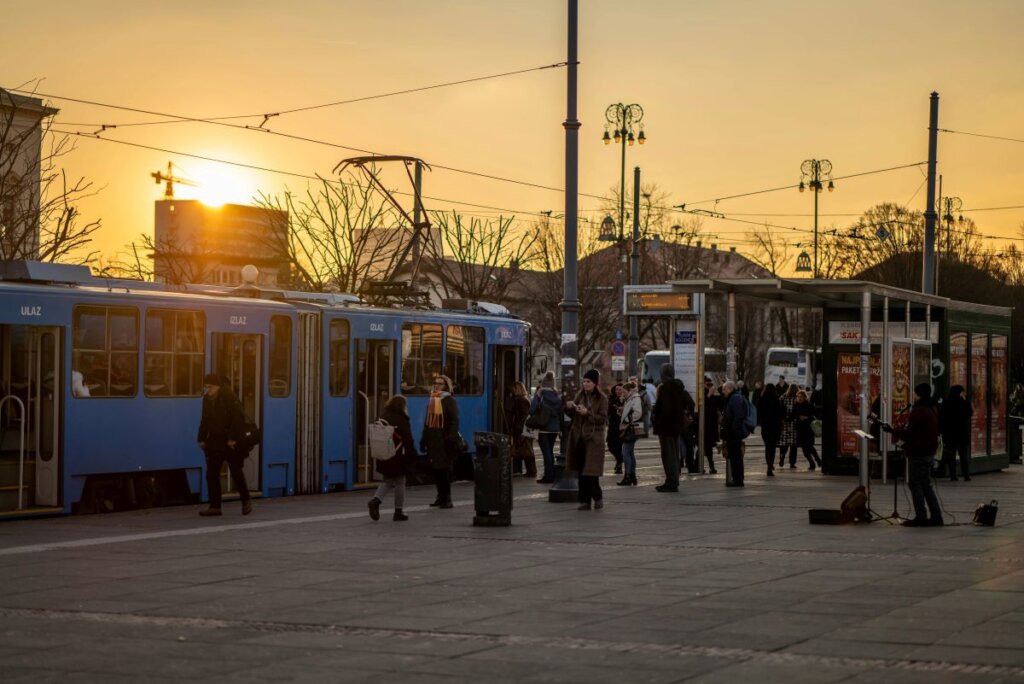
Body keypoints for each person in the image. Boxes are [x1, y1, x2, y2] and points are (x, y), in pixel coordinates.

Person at [885, 383, 944, 527]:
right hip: (928, 452)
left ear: (919, 394)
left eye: (915, 393)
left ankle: (921, 516)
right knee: (926, 484)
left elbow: (910, 433)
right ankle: (936, 516)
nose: (913, 395)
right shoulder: (932, 408)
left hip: (919, 453)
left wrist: (893, 431)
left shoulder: (919, 411)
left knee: (916, 484)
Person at [196, 373, 251, 517]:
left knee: (236, 472)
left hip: (231, 441)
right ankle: (215, 506)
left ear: (218, 386)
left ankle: (246, 500)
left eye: (210, 387)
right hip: (215, 440)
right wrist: (201, 438)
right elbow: (205, 419)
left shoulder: (229, 397)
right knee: (212, 473)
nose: (208, 390)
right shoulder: (206, 400)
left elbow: (238, 417)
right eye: (206, 387)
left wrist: (232, 438)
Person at [367, 395, 417, 522]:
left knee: (387, 481)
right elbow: (408, 439)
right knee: (400, 481)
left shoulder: (382, 416)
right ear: (402, 406)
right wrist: (413, 455)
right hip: (397, 455)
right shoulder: (402, 419)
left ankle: (375, 500)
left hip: (384, 453)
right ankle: (398, 511)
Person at [565, 369, 608, 510]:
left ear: (595, 383)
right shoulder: (580, 396)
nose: (585, 384)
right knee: (581, 470)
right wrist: (569, 408)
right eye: (584, 381)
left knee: (591, 472)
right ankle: (584, 500)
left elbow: (602, 419)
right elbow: (572, 415)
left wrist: (587, 413)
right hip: (579, 437)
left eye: (588, 382)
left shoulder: (602, 398)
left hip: (594, 439)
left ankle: (597, 497)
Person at [420, 374, 459, 509]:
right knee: (435, 470)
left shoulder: (449, 400)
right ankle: (440, 496)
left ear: (446, 386)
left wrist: (450, 438)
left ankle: (447, 498)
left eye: (440, 383)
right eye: (435, 383)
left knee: (443, 470)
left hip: (444, 440)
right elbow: (428, 422)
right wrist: (423, 440)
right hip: (433, 440)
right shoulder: (433, 399)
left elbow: (455, 421)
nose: (437, 385)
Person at [651, 364, 689, 492]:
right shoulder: (678, 386)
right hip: (676, 427)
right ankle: (673, 480)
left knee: (668, 455)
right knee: (674, 454)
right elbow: (689, 403)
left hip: (666, 427)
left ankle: (671, 482)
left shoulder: (666, 387)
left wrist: (657, 411)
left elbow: (666, 409)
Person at [530, 372, 562, 483]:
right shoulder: (557, 396)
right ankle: (552, 474)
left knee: (546, 453)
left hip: (543, 428)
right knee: (550, 451)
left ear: (543, 384)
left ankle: (549, 476)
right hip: (554, 429)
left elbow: (532, 410)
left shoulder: (541, 395)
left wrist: (537, 396)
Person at [939, 384, 972, 481]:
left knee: (951, 455)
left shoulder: (946, 403)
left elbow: (942, 417)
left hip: (949, 433)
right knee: (963, 456)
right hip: (962, 433)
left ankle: (953, 475)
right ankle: (966, 475)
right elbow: (969, 413)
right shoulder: (964, 403)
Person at [504, 381, 536, 478]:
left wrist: (521, 429)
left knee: (526, 450)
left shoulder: (522, 401)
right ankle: (529, 471)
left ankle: (531, 471)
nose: (512, 391)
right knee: (525, 449)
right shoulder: (522, 399)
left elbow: (524, 416)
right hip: (522, 429)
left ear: (517, 389)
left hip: (522, 429)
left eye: (514, 389)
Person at [720, 381, 748, 487]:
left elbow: (738, 415)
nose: (723, 392)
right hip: (733, 432)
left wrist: (733, 428)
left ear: (730, 389)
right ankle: (737, 479)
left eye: (724, 389)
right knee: (733, 456)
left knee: (736, 457)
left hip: (734, 433)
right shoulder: (732, 398)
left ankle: (738, 480)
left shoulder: (735, 398)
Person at [617, 381, 643, 486]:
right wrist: (621, 411)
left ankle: (628, 476)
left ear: (629, 391)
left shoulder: (635, 398)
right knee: (630, 453)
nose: (622, 394)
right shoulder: (631, 398)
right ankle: (632, 476)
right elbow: (629, 411)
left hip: (631, 429)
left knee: (625, 452)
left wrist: (627, 419)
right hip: (630, 428)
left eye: (624, 392)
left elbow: (637, 413)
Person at [758, 383, 783, 477]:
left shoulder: (762, 400)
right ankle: (770, 466)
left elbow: (759, 412)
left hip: (765, 426)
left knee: (767, 446)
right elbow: (780, 412)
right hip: (775, 426)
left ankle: (769, 464)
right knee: (772, 447)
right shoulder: (776, 400)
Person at [793, 390, 822, 470]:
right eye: (798, 397)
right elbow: (794, 415)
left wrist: (807, 417)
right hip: (800, 429)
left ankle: (816, 462)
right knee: (806, 448)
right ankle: (814, 462)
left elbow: (814, 416)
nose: (799, 398)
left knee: (809, 447)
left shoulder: (809, 405)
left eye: (801, 397)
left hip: (808, 429)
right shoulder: (796, 405)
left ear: (805, 397)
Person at [701, 377, 723, 474]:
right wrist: (709, 395)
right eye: (708, 384)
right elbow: (703, 407)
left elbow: (722, 402)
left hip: (711, 425)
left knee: (707, 446)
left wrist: (720, 389)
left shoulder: (713, 395)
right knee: (705, 447)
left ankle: (710, 466)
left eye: (711, 385)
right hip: (704, 425)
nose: (710, 387)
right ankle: (708, 466)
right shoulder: (703, 394)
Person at [779, 383, 799, 468]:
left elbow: (779, 407)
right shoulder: (797, 398)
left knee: (784, 443)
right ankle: (792, 462)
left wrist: (782, 418)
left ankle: (782, 455)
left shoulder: (783, 397)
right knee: (793, 444)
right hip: (794, 423)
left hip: (784, 423)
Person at [606, 383, 625, 476]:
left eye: (620, 390)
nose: (618, 391)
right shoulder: (611, 399)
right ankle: (620, 459)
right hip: (612, 426)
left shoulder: (626, 400)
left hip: (623, 428)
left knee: (620, 446)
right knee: (610, 445)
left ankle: (619, 464)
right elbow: (607, 411)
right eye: (617, 389)